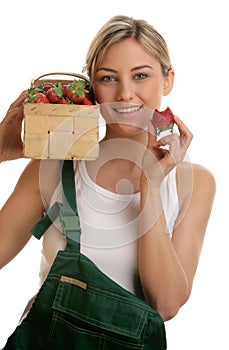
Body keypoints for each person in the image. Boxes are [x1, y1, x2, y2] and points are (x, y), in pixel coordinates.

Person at [0, 14, 215, 327]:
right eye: (109, 78)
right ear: (92, 88)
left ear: (167, 80)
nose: (125, 94)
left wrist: (150, 185)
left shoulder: (194, 183)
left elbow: (165, 305)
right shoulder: (52, 167)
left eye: (140, 76)